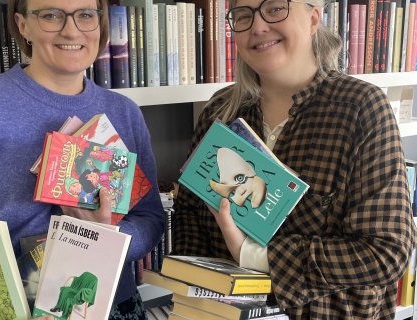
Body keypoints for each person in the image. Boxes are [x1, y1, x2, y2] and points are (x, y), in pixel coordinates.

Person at [171, 0, 416, 318]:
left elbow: (386, 252)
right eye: (244, 15)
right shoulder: (219, 112)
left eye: (274, 9)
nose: (258, 26)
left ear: (313, 18)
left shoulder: (361, 108)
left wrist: (255, 256)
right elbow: (190, 218)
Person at [0, 0, 164, 319]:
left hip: (115, 307)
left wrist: (106, 238)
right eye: (51, 15)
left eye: (86, 15)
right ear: (22, 24)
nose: (71, 29)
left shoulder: (124, 113)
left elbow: (151, 219)